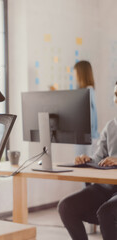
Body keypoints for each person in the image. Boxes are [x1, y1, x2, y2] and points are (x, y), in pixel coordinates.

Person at [58, 82, 117, 240]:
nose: (116, 99)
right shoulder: (111, 126)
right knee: (66, 207)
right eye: (116, 95)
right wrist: (88, 159)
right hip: (105, 187)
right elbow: (99, 156)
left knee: (106, 212)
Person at [74, 60, 99, 157]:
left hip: (87, 137)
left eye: (76, 72)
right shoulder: (87, 91)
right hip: (84, 136)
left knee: (83, 163)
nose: (75, 76)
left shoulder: (88, 92)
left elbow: (91, 117)